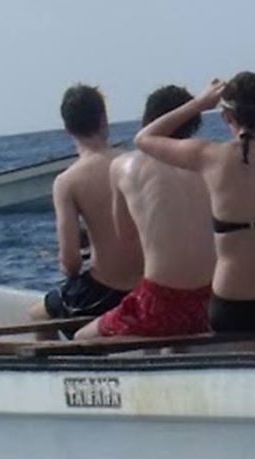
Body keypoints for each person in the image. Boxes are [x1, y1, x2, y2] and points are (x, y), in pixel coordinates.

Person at [136, 72, 255, 336]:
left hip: (232, 306)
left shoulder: (206, 155)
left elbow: (144, 139)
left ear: (226, 116)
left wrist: (198, 104)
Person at [76, 85, 216, 344]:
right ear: (194, 125)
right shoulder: (210, 164)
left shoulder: (123, 165)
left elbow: (126, 236)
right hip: (212, 302)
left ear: (148, 119)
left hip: (159, 301)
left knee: (81, 337)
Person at [30, 85, 143, 334]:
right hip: (148, 287)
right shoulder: (138, 163)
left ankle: (57, 372)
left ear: (67, 129)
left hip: (105, 292)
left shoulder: (67, 182)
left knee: (36, 315)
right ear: (104, 120)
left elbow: (70, 261)